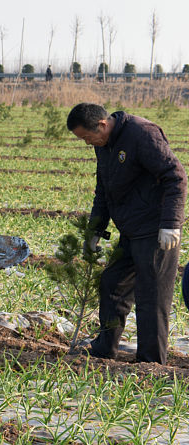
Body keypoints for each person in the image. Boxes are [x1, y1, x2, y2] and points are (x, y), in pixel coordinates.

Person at [67, 103, 186, 364]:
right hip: (131, 232)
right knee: (112, 284)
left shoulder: (142, 134)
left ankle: (150, 363)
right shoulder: (104, 144)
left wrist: (171, 223)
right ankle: (104, 348)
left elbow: (175, 176)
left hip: (155, 231)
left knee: (151, 298)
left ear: (102, 124)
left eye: (87, 137)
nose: (87, 143)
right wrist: (95, 230)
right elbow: (103, 189)